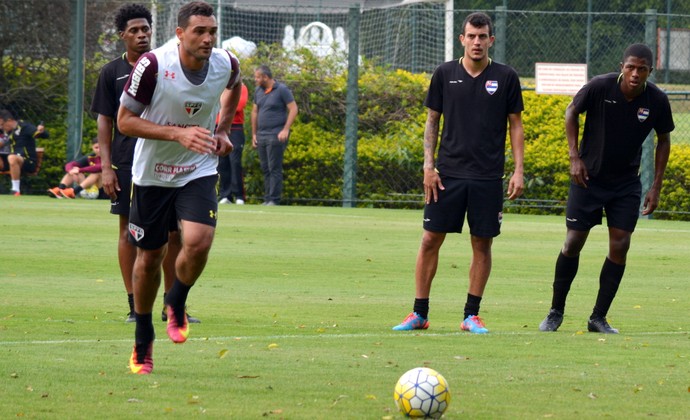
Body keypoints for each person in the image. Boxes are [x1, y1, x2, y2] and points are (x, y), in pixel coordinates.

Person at [117, 0, 242, 374]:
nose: (207, 39)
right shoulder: (153, 64)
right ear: (179, 34)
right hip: (153, 173)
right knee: (151, 256)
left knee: (199, 240)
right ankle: (143, 336)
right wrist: (177, 133)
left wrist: (221, 130)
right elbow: (125, 121)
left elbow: (235, 88)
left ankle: (177, 300)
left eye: (212, 32)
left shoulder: (226, 62)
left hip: (198, 168)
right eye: (199, 31)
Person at [392, 12, 524, 334]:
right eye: (471, 36)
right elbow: (432, 121)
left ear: (491, 40)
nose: (477, 42)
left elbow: (516, 126)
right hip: (447, 174)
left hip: (487, 177)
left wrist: (518, 170)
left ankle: (471, 316)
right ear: (462, 39)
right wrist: (428, 166)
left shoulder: (506, 77)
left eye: (482, 37)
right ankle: (419, 313)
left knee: (482, 244)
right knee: (429, 240)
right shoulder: (444, 73)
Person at [539, 43, 673, 334]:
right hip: (587, 179)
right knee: (573, 241)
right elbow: (571, 112)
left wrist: (656, 186)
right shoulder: (599, 87)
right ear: (622, 66)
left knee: (621, 244)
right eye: (630, 67)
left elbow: (664, 140)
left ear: (651, 71)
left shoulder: (657, 100)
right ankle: (555, 312)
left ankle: (598, 317)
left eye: (642, 69)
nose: (635, 74)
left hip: (625, 183)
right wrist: (574, 157)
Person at [90, 4, 199, 325]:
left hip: (168, 160)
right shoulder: (111, 72)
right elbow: (105, 121)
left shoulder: (169, 65)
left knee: (174, 234)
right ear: (122, 35)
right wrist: (106, 167)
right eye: (134, 31)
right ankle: (134, 305)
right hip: (127, 164)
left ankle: (172, 305)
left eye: (145, 29)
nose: (141, 35)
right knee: (128, 232)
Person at [251, 64, 298, 206]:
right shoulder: (258, 91)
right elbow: (254, 112)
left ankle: (274, 199)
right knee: (265, 168)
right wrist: (254, 134)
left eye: (258, 77)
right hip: (261, 135)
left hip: (276, 134)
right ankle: (267, 199)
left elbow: (294, 108)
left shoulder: (282, 90)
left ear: (266, 77)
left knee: (274, 167)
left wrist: (286, 129)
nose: (256, 80)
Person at [0, 110, 49, 195]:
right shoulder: (7, 132)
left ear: (9, 120)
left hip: (27, 161)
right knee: (11, 157)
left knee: (12, 157)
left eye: (2, 125)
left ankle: (15, 190)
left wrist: (42, 131)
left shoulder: (25, 126)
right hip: (10, 162)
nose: (0, 127)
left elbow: (43, 135)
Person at [218, 82, 248, 205]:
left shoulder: (241, 87)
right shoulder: (218, 85)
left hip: (235, 128)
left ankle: (239, 195)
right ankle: (226, 195)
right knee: (222, 162)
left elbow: (238, 106)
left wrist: (221, 102)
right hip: (218, 128)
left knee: (235, 162)